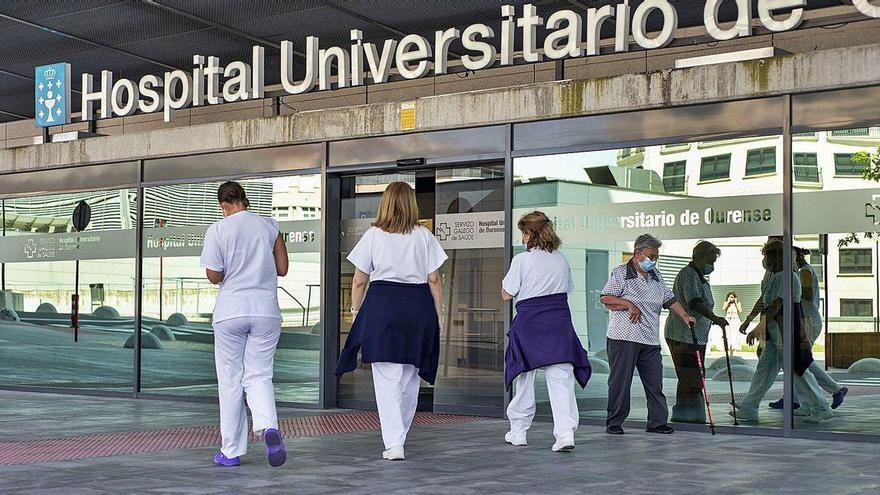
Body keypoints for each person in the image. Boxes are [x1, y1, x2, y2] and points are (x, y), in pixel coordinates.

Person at [335, 181, 447, 461]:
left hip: (383, 308)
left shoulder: (374, 235)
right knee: (410, 377)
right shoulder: (424, 236)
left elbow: (360, 281)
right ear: (411, 204)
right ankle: (400, 436)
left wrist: (355, 311)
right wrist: (438, 314)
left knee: (386, 379)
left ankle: (394, 443)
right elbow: (434, 279)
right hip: (418, 308)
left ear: (385, 203)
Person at [200, 181, 289, 468]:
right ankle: (268, 426)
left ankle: (231, 451)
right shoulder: (270, 226)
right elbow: (283, 269)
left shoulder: (218, 229)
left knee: (230, 380)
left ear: (223, 205)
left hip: (231, 312)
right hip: (266, 311)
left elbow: (214, 275)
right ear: (245, 200)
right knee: (259, 374)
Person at [501, 212, 592, 452]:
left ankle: (519, 431)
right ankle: (565, 434)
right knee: (561, 380)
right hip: (559, 323)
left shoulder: (522, 260)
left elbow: (507, 294)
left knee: (524, 377)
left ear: (529, 234)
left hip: (530, 323)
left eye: (523, 232)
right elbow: (567, 290)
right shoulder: (561, 259)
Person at [600, 233, 696, 435]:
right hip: (623, 337)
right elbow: (606, 298)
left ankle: (657, 422)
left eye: (656, 257)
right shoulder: (621, 273)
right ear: (638, 254)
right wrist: (628, 304)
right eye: (651, 256)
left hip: (650, 339)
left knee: (654, 383)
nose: (654, 260)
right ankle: (614, 422)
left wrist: (685, 316)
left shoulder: (656, 276)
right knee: (620, 383)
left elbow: (669, 299)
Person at [733, 240, 833, 423]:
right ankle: (749, 407)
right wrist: (749, 320)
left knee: (797, 370)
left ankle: (821, 407)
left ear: (777, 256)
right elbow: (765, 301)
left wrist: (758, 328)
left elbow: (777, 305)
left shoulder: (786, 276)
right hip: (776, 330)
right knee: (765, 370)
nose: (765, 260)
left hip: (786, 329)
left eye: (767, 255)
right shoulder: (775, 276)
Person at [767, 248, 847, 410]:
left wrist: (790, 290)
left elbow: (808, 294)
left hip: (806, 319)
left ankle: (833, 390)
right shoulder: (799, 271)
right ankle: (793, 398)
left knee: (802, 360)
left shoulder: (803, 271)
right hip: (803, 318)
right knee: (796, 360)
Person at [664, 241, 727, 424]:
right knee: (690, 376)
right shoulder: (689, 274)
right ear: (699, 257)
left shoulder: (700, 278)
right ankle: (686, 414)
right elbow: (694, 303)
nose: (712, 266)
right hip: (683, 334)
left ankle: (690, 413)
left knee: (693, 375)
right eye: (710, 261)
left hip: (696, 336)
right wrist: (715, 318)